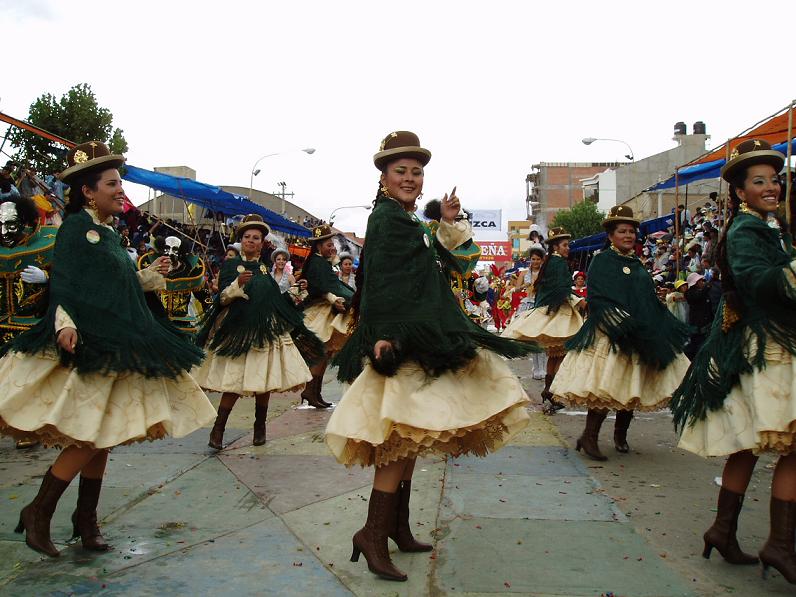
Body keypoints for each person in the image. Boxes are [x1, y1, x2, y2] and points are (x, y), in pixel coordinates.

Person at [325, 131, 537, 582]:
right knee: (397, 439)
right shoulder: (386, 220)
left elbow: (453, 264)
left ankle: (396, 527)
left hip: (420, 339)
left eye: (417, 172)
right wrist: (381, 336)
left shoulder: (407, 221)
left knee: (411, 436)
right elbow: (380, 281)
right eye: (400, 171)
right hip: (400, 344)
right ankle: (373, 533)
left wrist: (447, 222)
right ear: (383, 177)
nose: (409, 178)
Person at [0, 141, 216, 557]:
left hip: (116, 346)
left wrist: (149, 275)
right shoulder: (75, 229)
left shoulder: (110, 233)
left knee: (103, 436)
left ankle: (86, 520)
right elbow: (65, 283)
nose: (121, 190)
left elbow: (111, 285)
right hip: (92, 348)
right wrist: (64, 323)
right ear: (88, 190)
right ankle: (38, 512)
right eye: (113, 183)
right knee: (88, 436)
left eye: (120, 182)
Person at [672, 140, 796, 584]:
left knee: (749, 442)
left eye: (774, 180)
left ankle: (723, 529)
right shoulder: (745, 231)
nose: (771, 187)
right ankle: (779, 544)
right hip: (766, 349)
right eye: (759, 181)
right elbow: (757, 280)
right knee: (790, 446)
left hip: (773, 343)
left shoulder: (772, 226)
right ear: (740, 192)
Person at [551, 205, 690, 460]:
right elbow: (599, 296)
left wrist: (659, 311)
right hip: (610, 332)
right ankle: (589, 437)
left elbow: (645, 296)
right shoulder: (602, 261)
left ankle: (620, 435)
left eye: (631, 232)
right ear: (611, 236)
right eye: (623, 231)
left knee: (631, 384)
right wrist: (619, 322)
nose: (628, 236)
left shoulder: (637, 263)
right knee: (606, 388)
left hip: (639, 332)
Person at [194, 215, 323, 449]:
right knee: (235, 383)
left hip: (267, 331)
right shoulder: (231, 266)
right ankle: (218, 430)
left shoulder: (264, 267)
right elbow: (221, 299)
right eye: (247, 237)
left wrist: (297, 291)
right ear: (240, 240)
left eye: (256, 238)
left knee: (264, 381)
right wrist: (237, 285)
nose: (251, 241)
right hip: (240, 331)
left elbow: (275, 299)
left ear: (263, 243)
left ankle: (259, 427)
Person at [502, 228, 585, 413]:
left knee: (555, 354)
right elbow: (562, 289)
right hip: (558, 311)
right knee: (560, 354)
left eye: (568, 244)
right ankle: (552, 390)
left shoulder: (551, 262)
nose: (568, 248)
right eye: (565, 245)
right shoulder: (557, 263)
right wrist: (580, 301)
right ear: (555, 246)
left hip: (551, 310)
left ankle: (549, 390)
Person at [298, 224, 355, 408]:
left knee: (325, 353)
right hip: (319, 312)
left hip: (325, 309)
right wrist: (350, 299)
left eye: (332, 245)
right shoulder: (317, 263)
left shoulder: (321, 262)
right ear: (318, 246)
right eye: (328, 245)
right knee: (320, 353)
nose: (331, 248)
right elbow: (324, 286)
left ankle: (315, 392)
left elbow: (330, 284)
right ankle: (310, 390)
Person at [137, 235, 211, 334]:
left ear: (181, 251)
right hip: (156, 323)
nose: (170, 253)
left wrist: (211, 315)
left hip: (182, 325)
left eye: (175, 249)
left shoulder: (191, 271)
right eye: (167, 249)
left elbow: (205, 298)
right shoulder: (153, 268)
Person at [512, 243, 547, 379]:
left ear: (542, 260)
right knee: (533, 339)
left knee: (542, 338)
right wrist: (524, 286)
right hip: (528, 306)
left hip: (542, 305)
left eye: (538, 259)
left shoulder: (545, 273)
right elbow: (517, 288)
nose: (535, 261)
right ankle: (536, 367)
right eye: (533, 259)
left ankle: (542, 368)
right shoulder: (524, 273)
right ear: (530, 260)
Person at [684, 271, 713, 360]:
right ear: (695, 283)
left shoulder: (702, 292)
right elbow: (698, 296)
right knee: (697, 347)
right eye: (700, 281)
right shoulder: (690, 293)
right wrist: (707, 286)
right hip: (697, 325)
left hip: (706, 323)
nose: (702, 283)